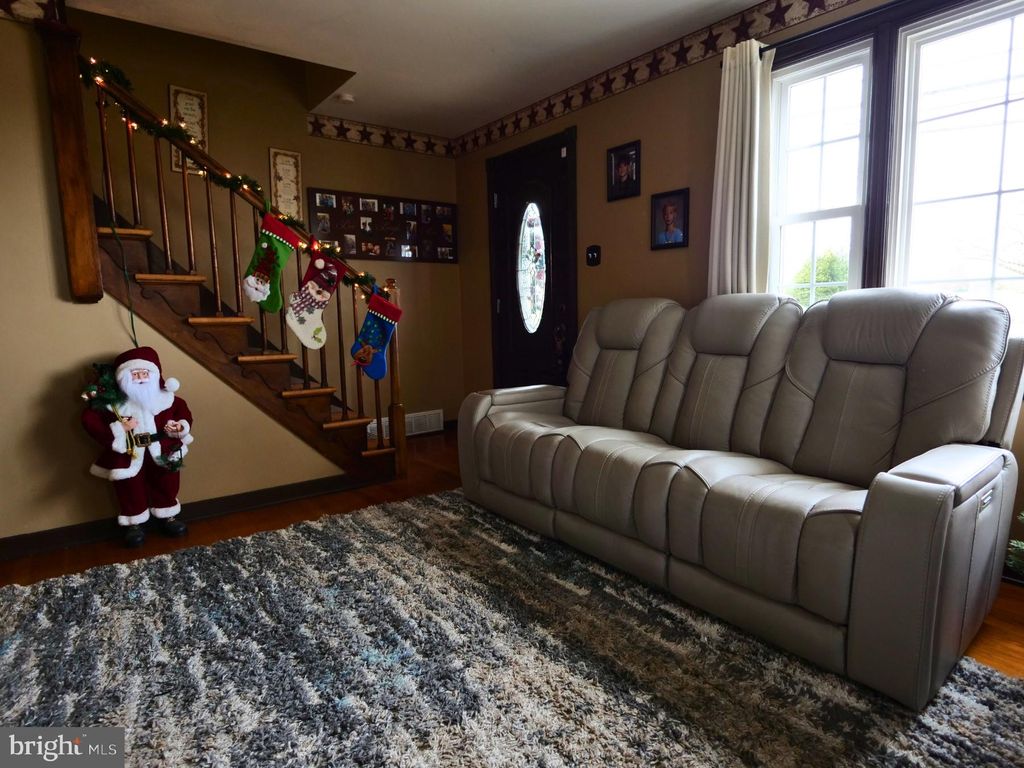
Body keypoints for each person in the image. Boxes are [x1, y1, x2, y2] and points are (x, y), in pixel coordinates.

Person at [81, 347, 193, 547]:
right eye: (135, 374)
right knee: (129, 486)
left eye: (144, 373)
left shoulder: (167, 398)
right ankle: (134, 522)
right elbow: (89, 419)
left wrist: (180, 426)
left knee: (166, 481)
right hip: (129, 452)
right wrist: (119, 428)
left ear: (154, 375)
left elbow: (183, 413)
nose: (141, 378)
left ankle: (168, 515)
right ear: (123, 377)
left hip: (163, 447)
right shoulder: (113, 403)